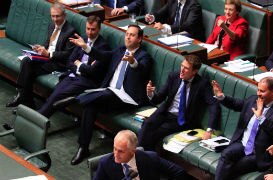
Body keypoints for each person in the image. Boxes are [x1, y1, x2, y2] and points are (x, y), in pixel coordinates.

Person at [66, 24, 152, 165]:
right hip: (108, 94)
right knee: (90, 107)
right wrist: (85, 47)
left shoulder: (144, 56)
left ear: (140, 39)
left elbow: (142, 69)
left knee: (108, 93)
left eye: (132, 35)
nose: (128, 37)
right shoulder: (119, 50)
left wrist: (132, 61)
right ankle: (83, 147)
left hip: (127, 99)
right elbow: (101, 55)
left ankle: (75, 99)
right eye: (127, 34)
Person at [212, 77, 273, 180]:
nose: (258, 93)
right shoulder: (253, 100)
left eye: (262, 91)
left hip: (258, 154)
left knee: (231, 168)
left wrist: (261, 117)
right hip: (242, 144)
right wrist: (221, 97)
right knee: (226, 154)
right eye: (258, 89)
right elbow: (236, 104)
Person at [138, 55, 220, 151]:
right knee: (147, 124)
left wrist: (209, 130)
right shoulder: (174, 76)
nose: (182, 70)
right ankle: (140, 153)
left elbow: (214, 105)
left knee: (156, 132)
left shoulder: (202, 84)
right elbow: (159, 98)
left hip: (181, 119)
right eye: (182, 66)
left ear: (194, 71)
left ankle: (144, 156)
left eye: (186, 68)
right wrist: (150, 94)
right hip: (165, 112)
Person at [36, 15, 111, 118]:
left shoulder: (103, 47)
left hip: (87, 81)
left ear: (99, 29)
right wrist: (81, 67)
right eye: (88, 29)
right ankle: (40, 117)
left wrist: (79, 64)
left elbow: (92, 72)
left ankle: (38, 117)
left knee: (57, 96)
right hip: (73, 75)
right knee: (55, 95)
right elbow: (70, 62)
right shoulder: (82, 39)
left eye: (93, 29)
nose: (89, 32)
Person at [5, 3, 76, 109]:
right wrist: (40, 48)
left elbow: (68, 54)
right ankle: (25, 99)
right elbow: (49, 44)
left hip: (57, 63)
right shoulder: (52, 26)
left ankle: (23, 97)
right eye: (53, 16)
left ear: (64, 15)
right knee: (26, 61)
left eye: (58, 16)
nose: (55, 19)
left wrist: (49, 54)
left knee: (28, 67)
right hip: (46, 58)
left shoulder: (70, 31)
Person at [94, 130, 193, 180]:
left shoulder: (151, 157)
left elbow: (180, 172)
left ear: (132, 151)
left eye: (120, 151)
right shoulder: (105, 163)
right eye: (114, 148)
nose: (115, 154)